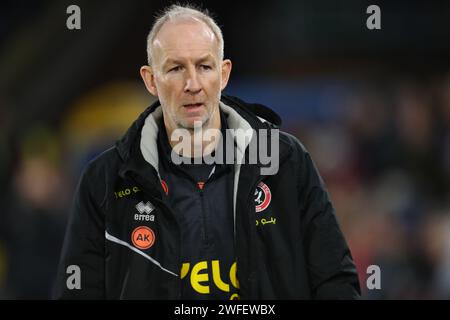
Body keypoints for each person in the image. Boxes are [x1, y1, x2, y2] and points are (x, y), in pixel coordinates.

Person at [54, 4, 360, 300]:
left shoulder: (284, 160)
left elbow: (335, 280)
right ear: (150, 79)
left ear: (223, 73)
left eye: (204, 66)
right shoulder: (106, 179)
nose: (193, 84)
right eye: (175, 68)